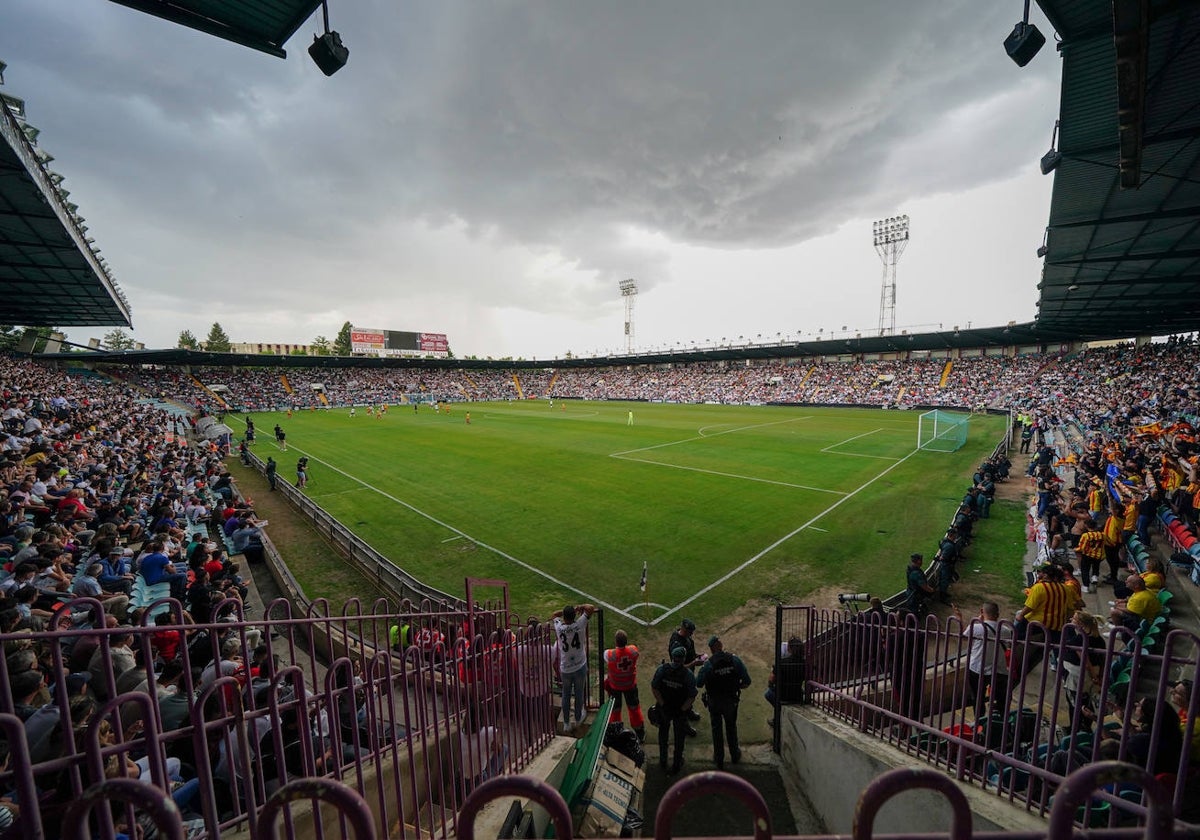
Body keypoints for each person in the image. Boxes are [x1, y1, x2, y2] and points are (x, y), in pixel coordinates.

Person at [695, 635, 751, 770]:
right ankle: (735, 755)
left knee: (716, 729)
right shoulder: (734, 659)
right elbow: (747, 681)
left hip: (714, 701)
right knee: (731, 727)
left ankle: (719, 758)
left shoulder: (708, 664)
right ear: (719, 646)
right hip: (731, 701)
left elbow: (698, 683)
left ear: (712, 649)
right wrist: (736, 687)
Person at [952, 601, 1011, 720]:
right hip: (998, 670)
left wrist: (960, 618)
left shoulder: (976, 627)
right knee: (1001, 698)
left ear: (981, 612)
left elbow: (963, 637)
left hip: (977, 668)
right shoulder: (1005, 630)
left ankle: (979, 721)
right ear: (998, 614)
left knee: (977, 697)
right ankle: (1002, 722)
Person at [551, 602, 597, 734]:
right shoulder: (580, 624)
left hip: (565, 668)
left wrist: (564, 612)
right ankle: (577, 718)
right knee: (578, 693)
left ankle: (566, 723)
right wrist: (580, 607)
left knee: (565, 695)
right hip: (580, 665)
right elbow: (591, 608)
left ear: (564, 617)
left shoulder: (559, 627)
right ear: (574, 616)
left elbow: (554, 614)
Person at [651, 646, 697, 775]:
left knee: (663, 735)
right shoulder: (688, 675)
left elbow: (655, 688)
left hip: (664, 709)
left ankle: (663, 760)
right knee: (679, 739)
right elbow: (692, 696)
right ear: (683, 659)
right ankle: (676, 764)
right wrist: (682, 710)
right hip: (678, 711)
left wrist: (662, 704)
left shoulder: (662, 670)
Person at [603, 630, 645, 742]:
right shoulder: (633, 651)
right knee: (634, 709)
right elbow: (635, 651)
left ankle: (616, 732)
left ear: (616, 642)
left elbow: (605, 654)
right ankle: (640, 733)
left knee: (615, 710)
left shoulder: (610, 654)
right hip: (630, 685)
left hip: (615, 686)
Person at [667, 618, 702, 734]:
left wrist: (698, 656)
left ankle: (689, 712)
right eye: (690, 632)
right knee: (683, 700)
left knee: (688, 697)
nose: (691, 634)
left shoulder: (687, 638)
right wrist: (694, 663)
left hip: (688, 673)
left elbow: (690, 652)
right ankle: (684, 725)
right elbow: (677, 666)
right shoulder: (676, 643)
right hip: (680, 677)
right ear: (684, 629)